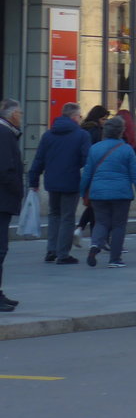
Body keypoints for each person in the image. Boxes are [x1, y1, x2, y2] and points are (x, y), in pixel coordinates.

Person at [26, 102, 92, 265]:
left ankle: (51, 250)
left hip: (52, 182)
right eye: (80, 116)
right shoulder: (82, 135)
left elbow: (39, 159)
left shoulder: (48, 135)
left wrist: (33, 181)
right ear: (74, 117)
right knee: (67, 217)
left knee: (54, 215)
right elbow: (87, 160)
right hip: (71, 181)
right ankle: (63, 254)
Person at [80, 115, 136, 268]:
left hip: (98, 193)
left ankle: (94, 245)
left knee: (101, 222)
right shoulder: (127, 150)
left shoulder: (94, 148)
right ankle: (115, 259)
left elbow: (87, 173)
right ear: (121, 132)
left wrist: (83, 191)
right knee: (118, 225)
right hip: (121, 194)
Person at [0, 98, 24, 311]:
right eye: (20, 113)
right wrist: (18, 190)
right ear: (12, 115)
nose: (21, 117)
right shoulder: (5, 134)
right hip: (2, 200)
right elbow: (6, 170)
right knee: (0, 249)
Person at [76, 105, 108, 244]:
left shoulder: (82, 129)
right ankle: (97, 240)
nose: (104, 122)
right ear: (97, 118)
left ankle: (80, 229)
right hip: (96, 171)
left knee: (92, 204)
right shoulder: (96, 132)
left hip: (85, 171)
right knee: (96, 205)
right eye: (103, 119)